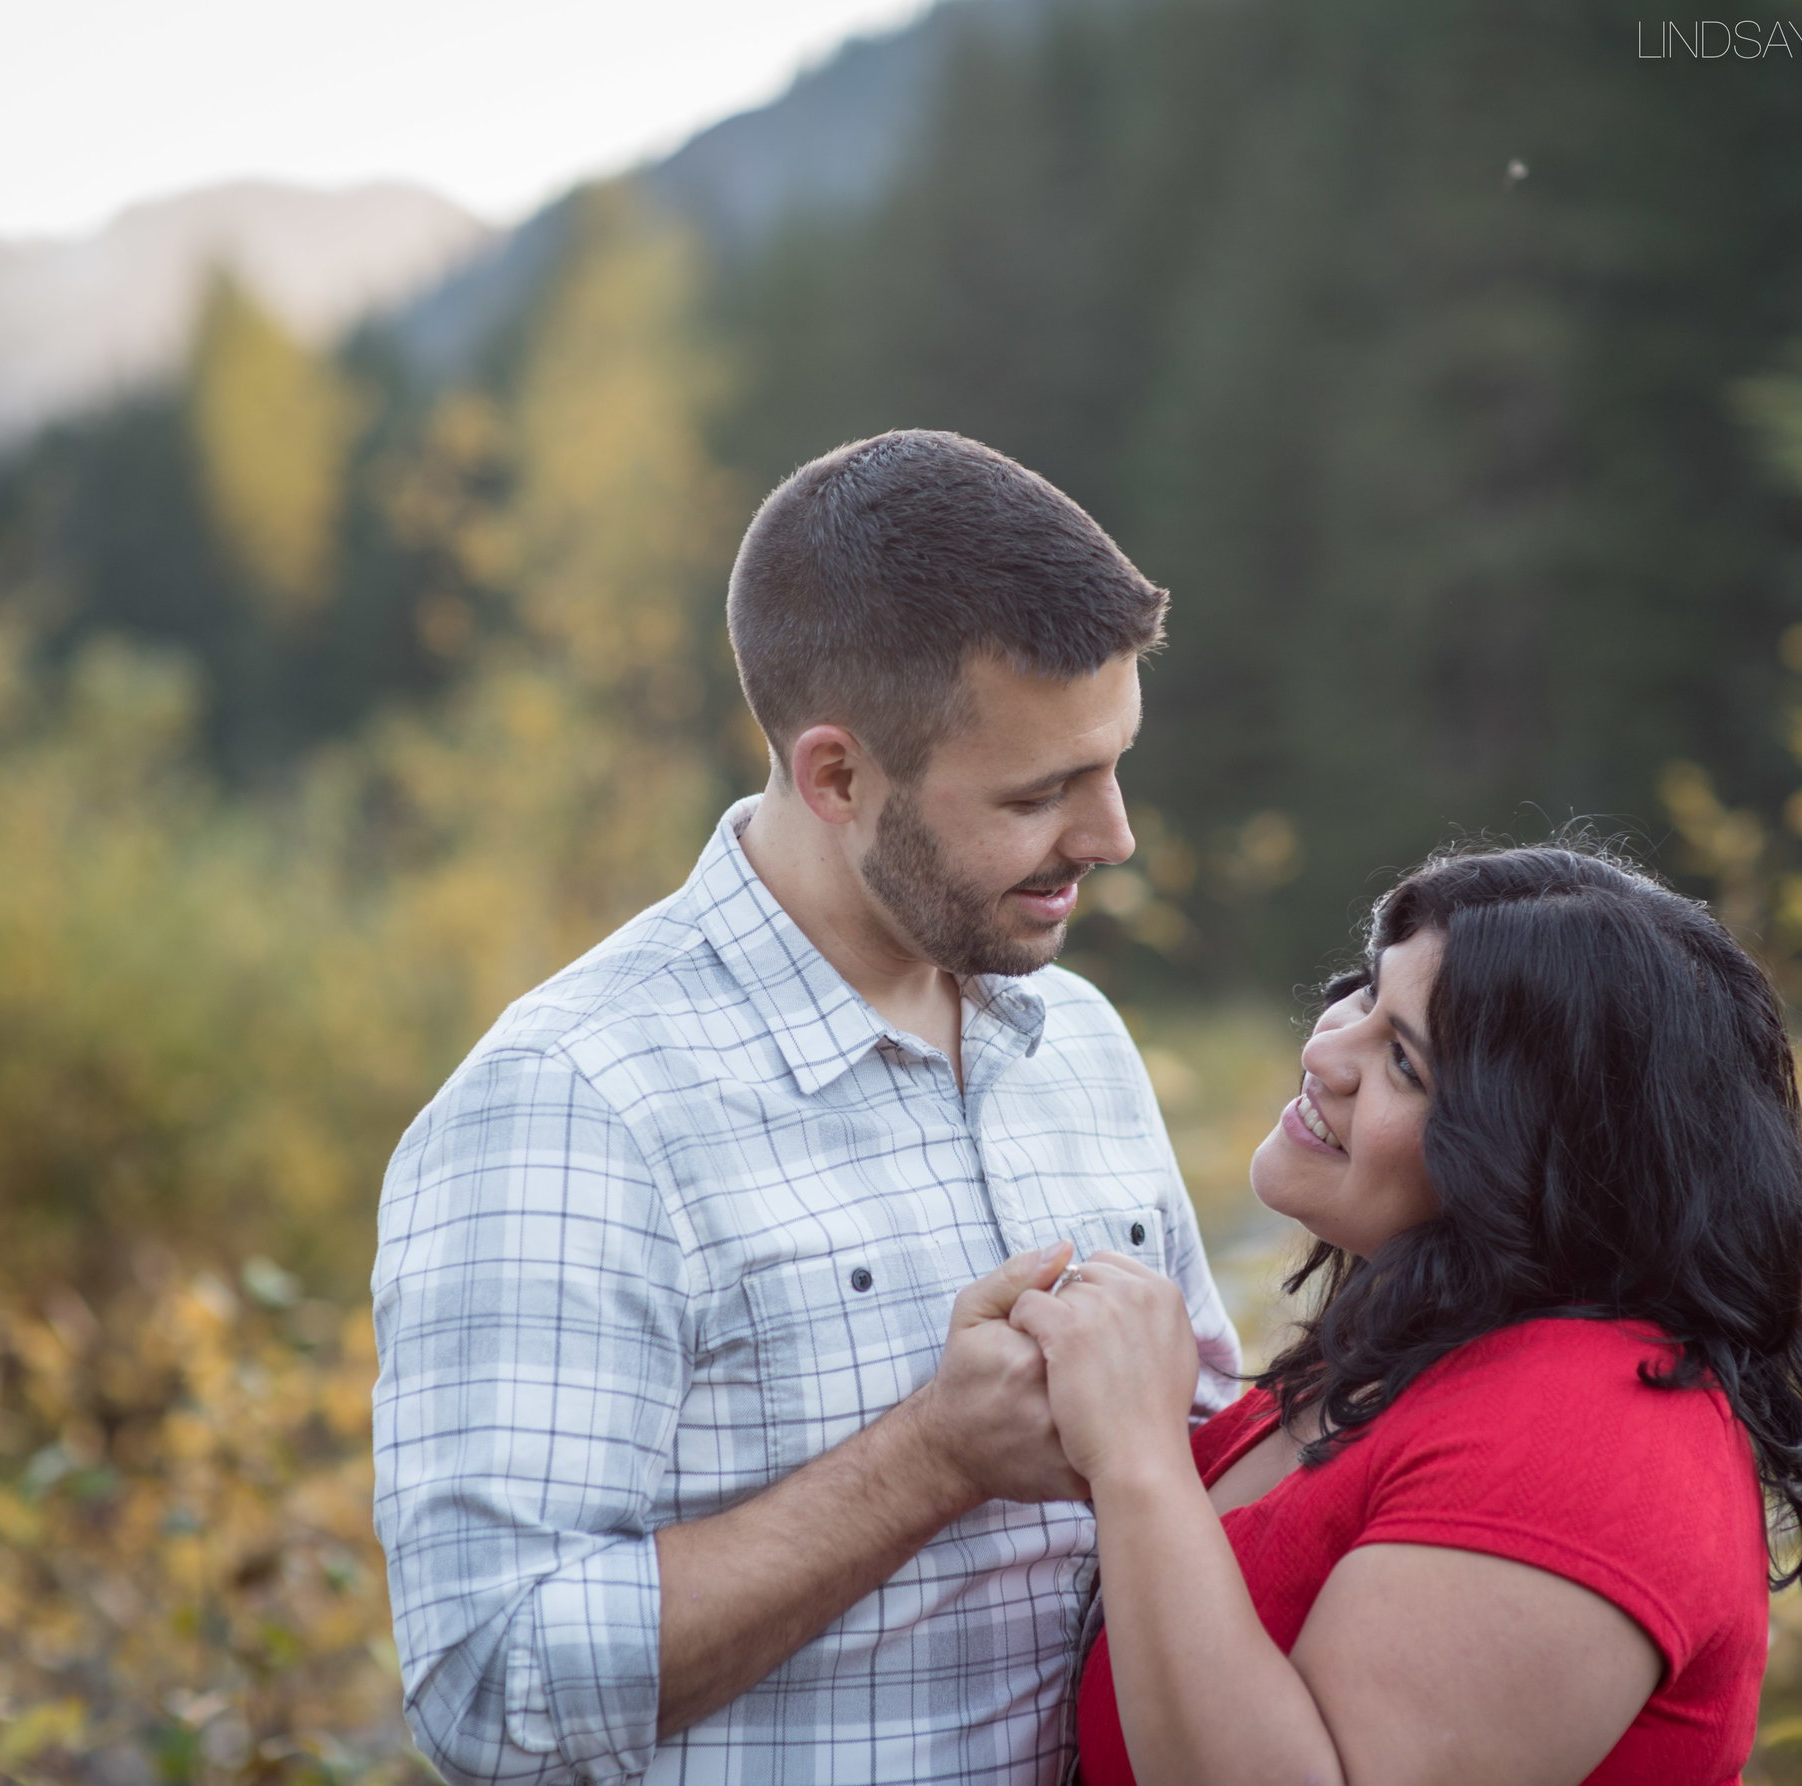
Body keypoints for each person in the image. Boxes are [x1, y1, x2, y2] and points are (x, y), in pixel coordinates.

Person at [371, 430, 1240, 1786]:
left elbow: (1210, 1456)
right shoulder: (577, 1105)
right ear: (837, 777)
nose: (1112, 833)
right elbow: (489, 1683)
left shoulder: (1079, 1042)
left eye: (1113, 760)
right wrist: (931, 1458)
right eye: (1040, 792)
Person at [1009, 843, 1802, 1786]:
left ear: (1539, 1167)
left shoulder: (1597, 1429)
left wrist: (1134, 1455)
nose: (1325, 1050)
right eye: (1365, 995)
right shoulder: (1409, 1359)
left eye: (1406, 1063)